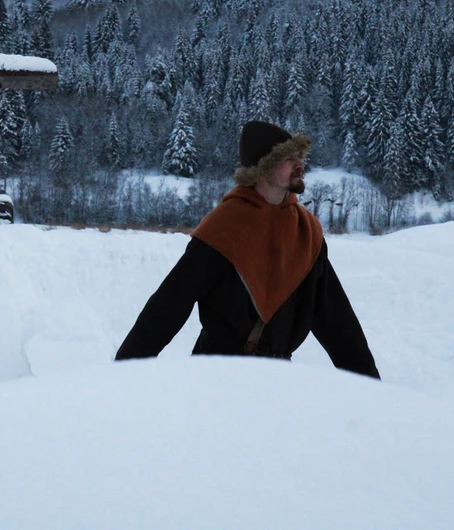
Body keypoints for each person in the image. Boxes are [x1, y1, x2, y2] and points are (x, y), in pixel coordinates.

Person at [115, 120, 380, 379]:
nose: (300, 165)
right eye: (289, 159)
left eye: (300, 157)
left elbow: (338, 323)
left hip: (278, 381)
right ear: (262, 168)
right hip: (218, 378)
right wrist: (122, 375)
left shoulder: (306, 232)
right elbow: (167, 307)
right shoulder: (224, 226)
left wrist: (371, 388)